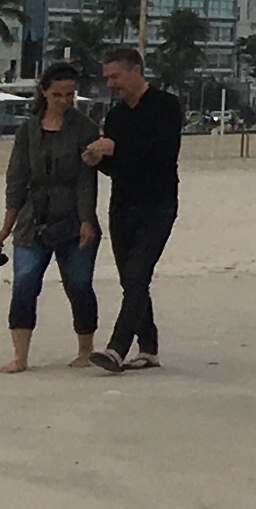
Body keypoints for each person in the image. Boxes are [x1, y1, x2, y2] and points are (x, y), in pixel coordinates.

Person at [82, 41, 187, 372]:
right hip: (123, 206)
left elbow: (162, 155)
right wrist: (97, 161)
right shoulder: (115, 117)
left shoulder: (166, 107)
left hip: (158, 205)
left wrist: (118, 148)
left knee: (139, 273)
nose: (111, 84)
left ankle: (116, 348)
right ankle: (150, 348)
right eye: (107, 78)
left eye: (115, 76)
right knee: (131, 279)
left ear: (136, 71)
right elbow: (119, 168)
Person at [0, 63, 99, 372]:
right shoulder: (27, 130)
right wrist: (5, 229)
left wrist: (86, 220)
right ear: (44, 92)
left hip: (72, 216)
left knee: (78, 284)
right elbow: (16, 180)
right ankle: (20, 356)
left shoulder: (84, 128)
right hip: (32, 219)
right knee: (24, 284)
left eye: (70, 94)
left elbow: (85, 180)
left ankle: (85, 350)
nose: (64, 100)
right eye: (58, 94)